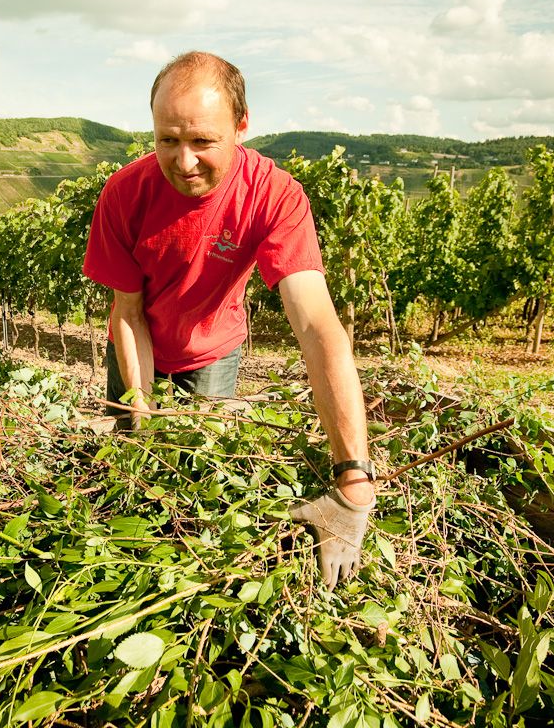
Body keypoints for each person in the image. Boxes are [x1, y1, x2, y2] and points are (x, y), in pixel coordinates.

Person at [82, 51, 374, 587]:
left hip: (214, 350)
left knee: (198, 476)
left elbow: (316, 327)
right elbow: (128, 313)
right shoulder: (124, 194)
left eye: (203, 141)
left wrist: (352, 480)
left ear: (241, 125)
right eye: (167, 140)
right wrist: (142, 410)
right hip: (138, 342)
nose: (184, 161)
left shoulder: (274, 196)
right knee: (132, 469)